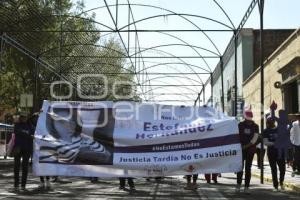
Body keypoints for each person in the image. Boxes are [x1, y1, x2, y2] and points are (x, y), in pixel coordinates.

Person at [38, 107, 111, 164]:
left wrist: (87, 141)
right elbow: (47, 165)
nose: (68, 126)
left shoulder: (79, 139)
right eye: (61, 122)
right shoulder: (48, 141)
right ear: (51, 124)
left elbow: (105, 153)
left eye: (71, 122)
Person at [236, 108, 259, 194]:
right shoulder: (240, 125)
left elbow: (255, 137)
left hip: (250, 149)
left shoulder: (255, 126)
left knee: (248, 168)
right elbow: (237, 136)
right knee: (240, 168)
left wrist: (247, 146)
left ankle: (246, 187)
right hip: (241, 148)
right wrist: (241, 145)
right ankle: (238, 185)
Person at [263, 116, 285, 191]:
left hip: (280, 152)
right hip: (271, 152)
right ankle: (275, 186)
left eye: (270, 122)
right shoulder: (266, 131)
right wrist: (275, 143)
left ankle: (281, 182)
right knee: (274, 169)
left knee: (282, 169)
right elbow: (266, 142)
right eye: (268, 122)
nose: (268, 123)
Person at [13, 113, 34, 191]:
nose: (23, 118)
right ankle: (16, 185)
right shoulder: (17, 125)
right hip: (18, 148)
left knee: (25, 168)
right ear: (20, 118)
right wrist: (28, 135)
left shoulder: (30, 126)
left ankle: (23, 185)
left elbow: (33, 135)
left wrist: (27, 134)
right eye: (22, 117)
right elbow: (17, 132)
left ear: (27, 118)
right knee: (16, 167)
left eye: (24, 117)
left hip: (27, 149)